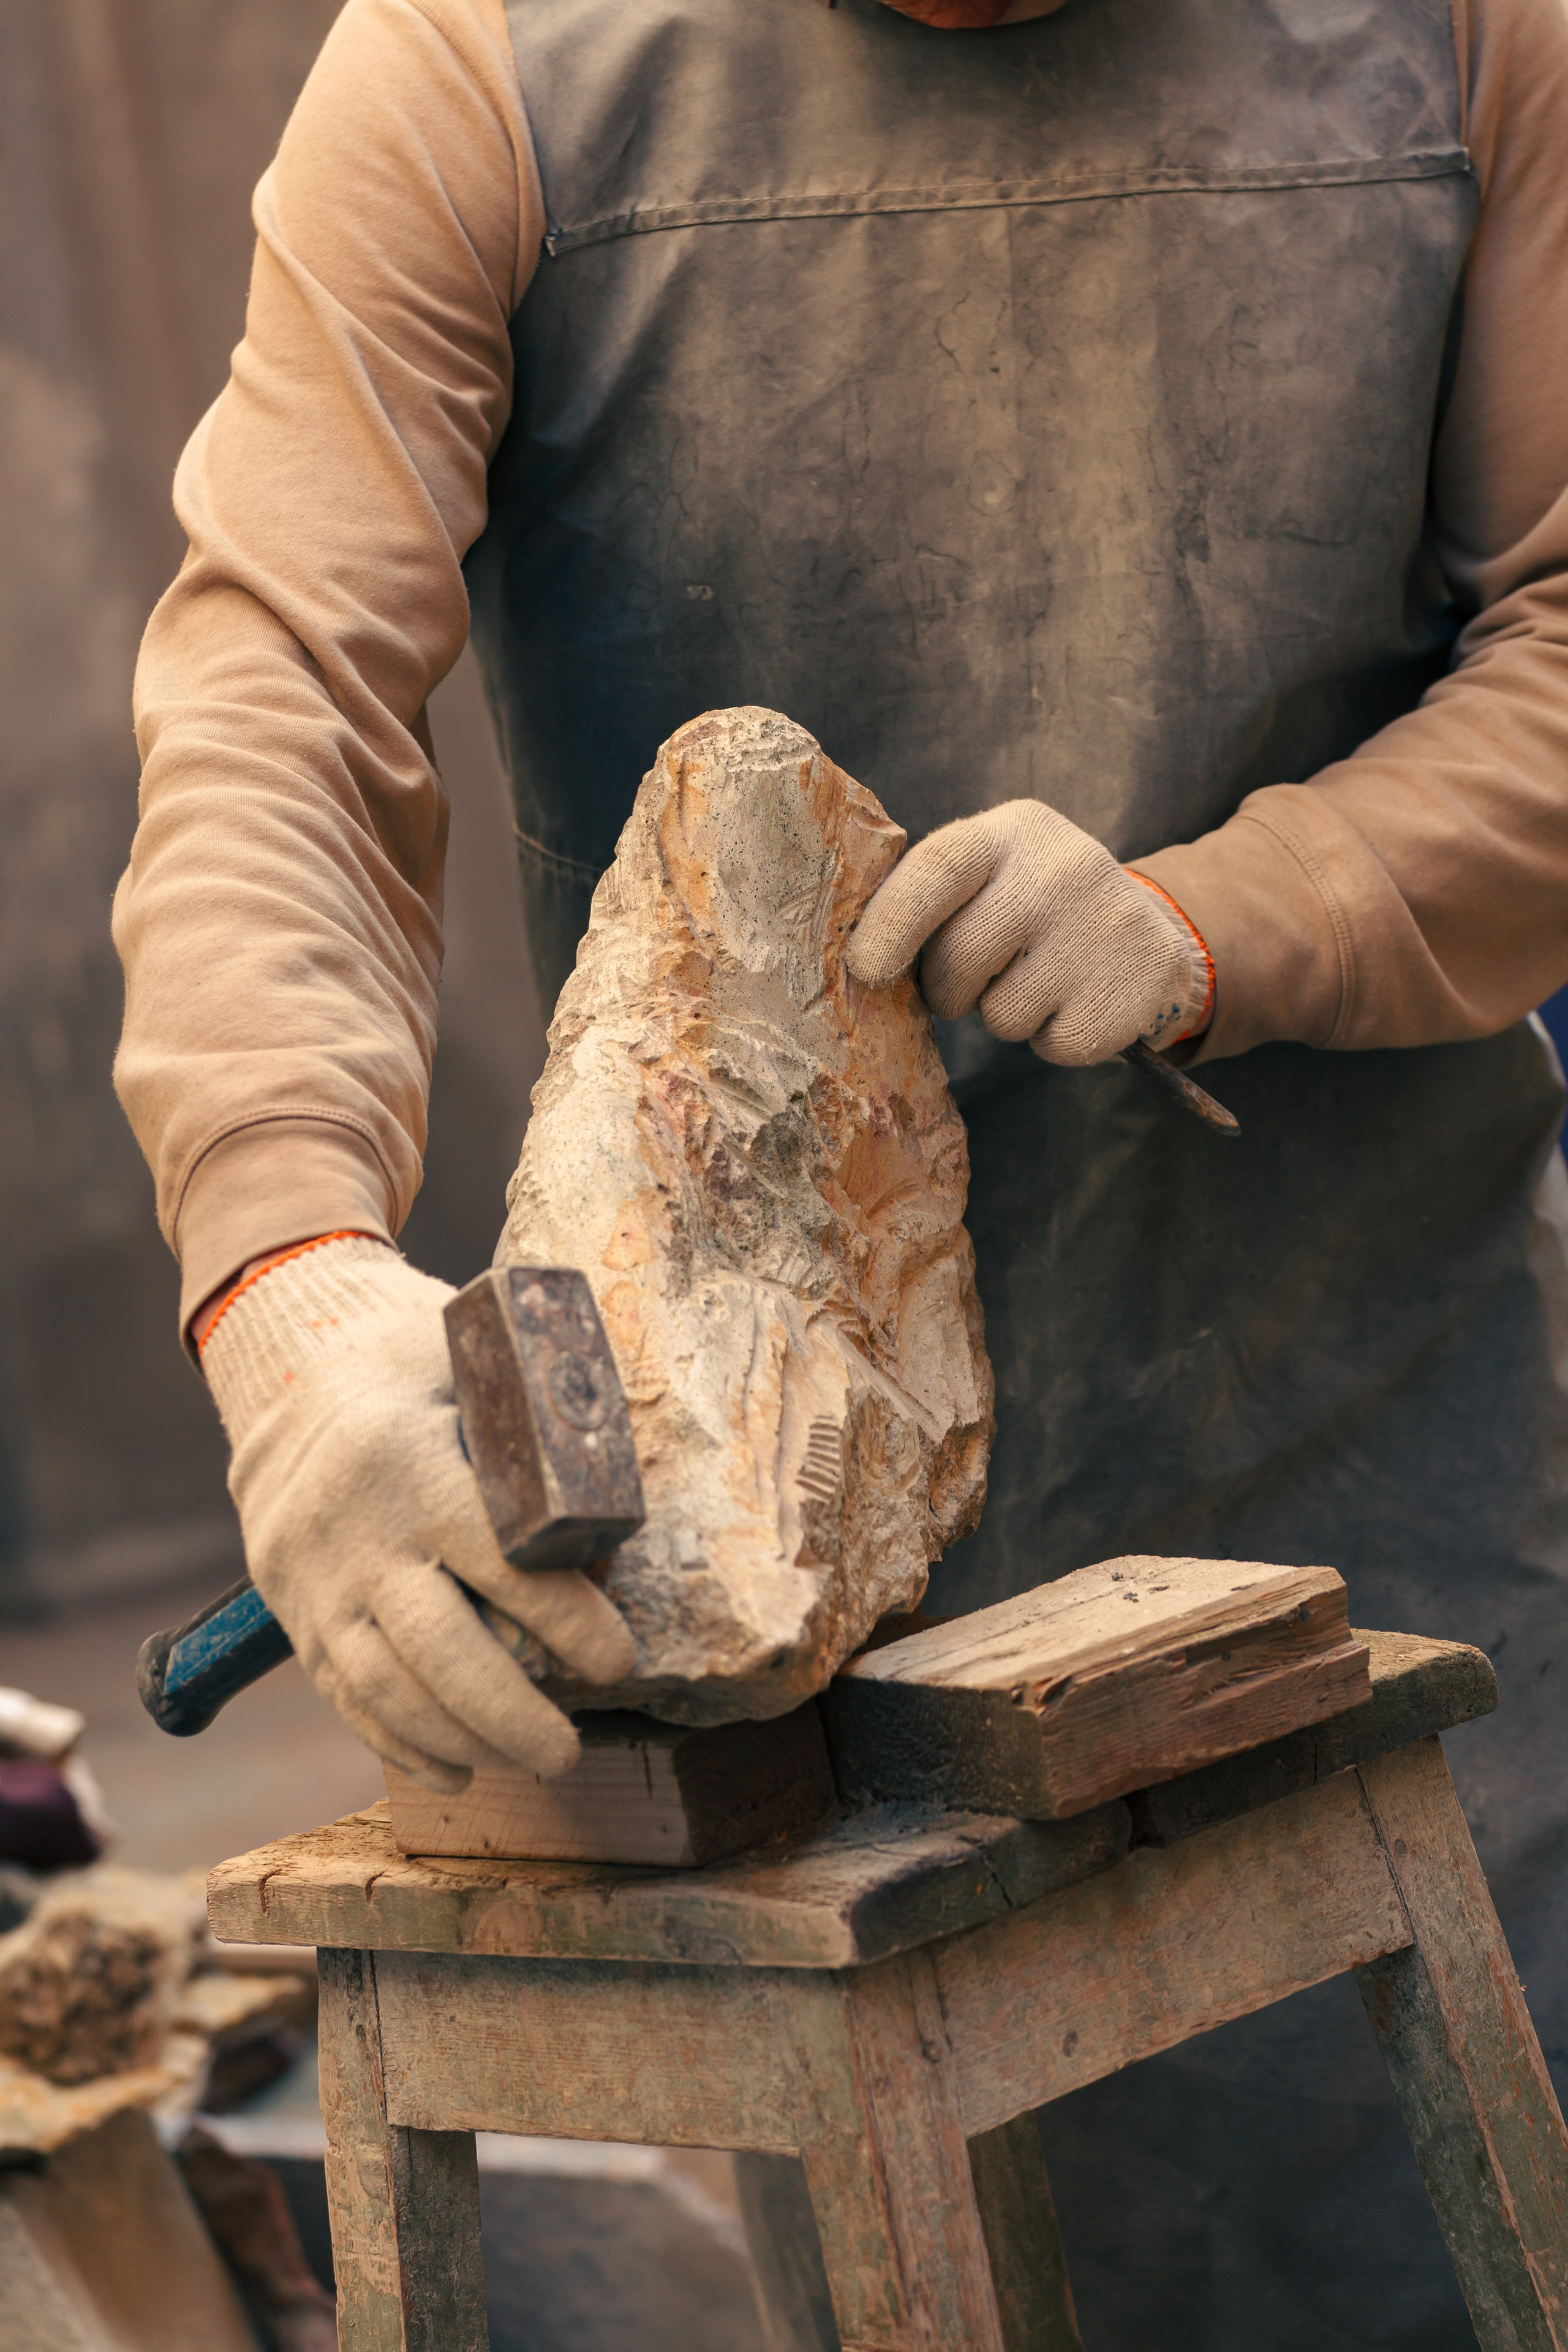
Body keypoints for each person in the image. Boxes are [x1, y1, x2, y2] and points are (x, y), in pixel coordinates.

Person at [113, 0, 1568, 2340]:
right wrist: (284, 1275)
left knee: (1437, 2235)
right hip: (761, 1549)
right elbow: (282, 690)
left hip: (1353, 1443)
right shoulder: (480, 56)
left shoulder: (1469, 34)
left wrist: (1238, 910)